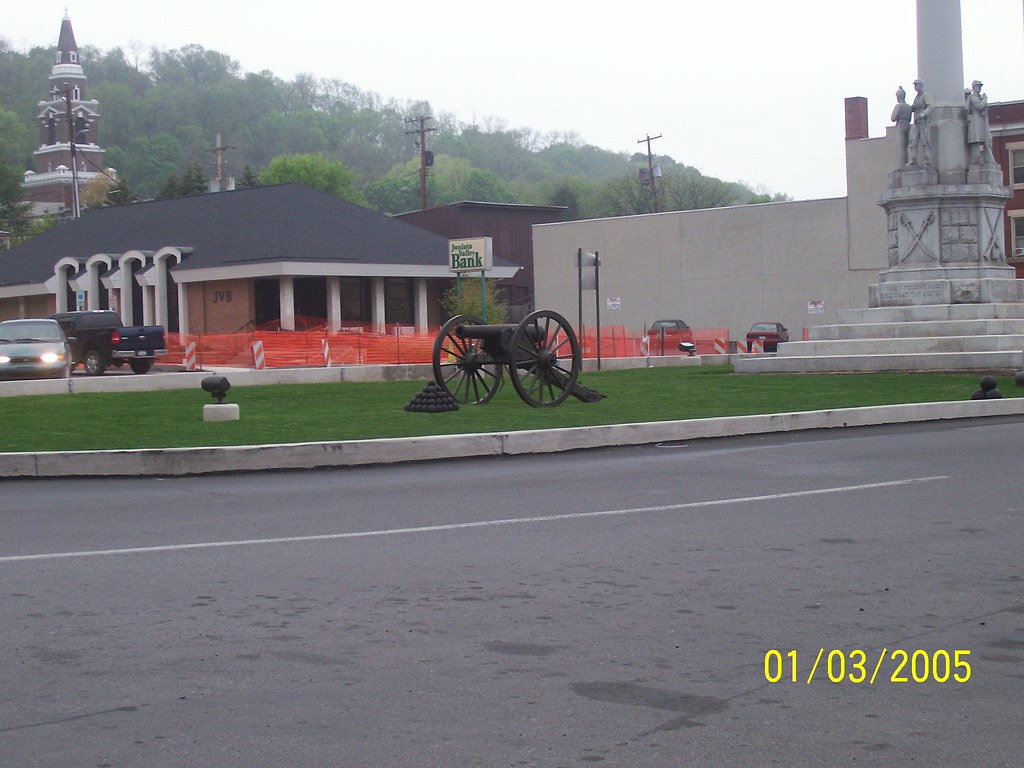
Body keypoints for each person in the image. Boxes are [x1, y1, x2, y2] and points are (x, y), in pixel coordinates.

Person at [965, 80, 995, 165]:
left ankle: (987, 159)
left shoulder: (980, 97)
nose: (979, 88)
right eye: (978, 86)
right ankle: (976, 160)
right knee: (976, 140)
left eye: (980, 86)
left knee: (987, 140)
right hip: (975, 120)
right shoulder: (972, 97)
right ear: (974, 87)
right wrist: (985, 99)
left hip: (982, 120)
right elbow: (980, 106)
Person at [908, 79, 934, 166]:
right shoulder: (916, 97)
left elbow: (931, 107)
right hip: (916, 122)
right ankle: (913, 159)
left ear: (921, 85)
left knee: (925, 140)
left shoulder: (925, 95)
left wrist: (924, 113)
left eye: (916, 85)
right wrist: (912, 108)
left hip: (924, 121)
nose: (915, 87)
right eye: (914, 85)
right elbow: (914, 107)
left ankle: (928, 159)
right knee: (913, 140)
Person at [891, 86, 913, 167]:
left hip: (900, 125)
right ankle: (907, 163)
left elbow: (893, 118)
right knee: (906, 147)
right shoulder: (909, 107)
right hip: (907, 125)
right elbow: (910, 119)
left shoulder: (898, 106)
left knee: (900, 147)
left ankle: (901, 166)